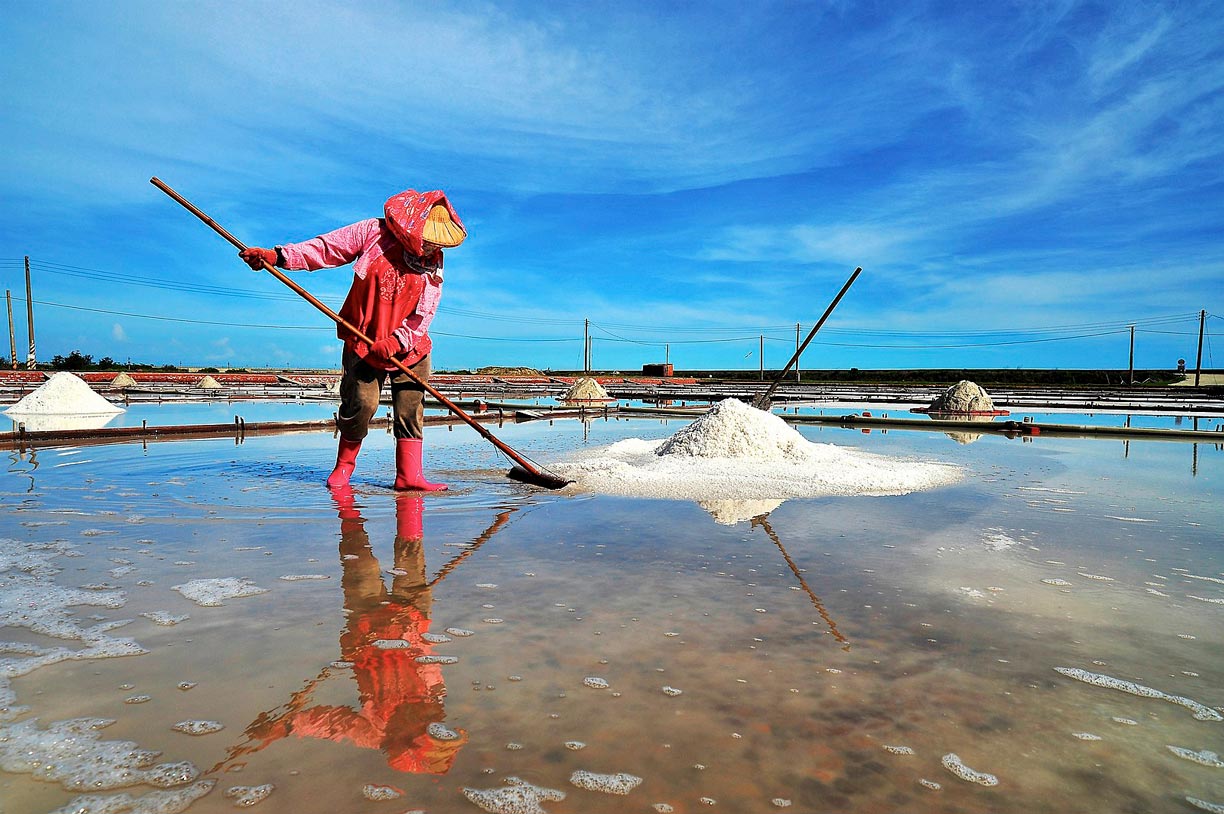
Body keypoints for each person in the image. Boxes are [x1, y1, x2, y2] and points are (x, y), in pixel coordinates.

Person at [240, 190, 465, 491]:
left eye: (437, 244)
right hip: (364, 339)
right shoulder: (373, 232)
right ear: (411, 226)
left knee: (410, 409)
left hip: (410, 348)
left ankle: (409, 476)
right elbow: (326, 249)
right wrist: (277, 256)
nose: (431, 248)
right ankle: (344, 468)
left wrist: (398, 341)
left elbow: (425, 312)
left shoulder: (433, 261)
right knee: (361, 403)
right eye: (428, 241)